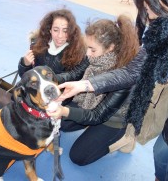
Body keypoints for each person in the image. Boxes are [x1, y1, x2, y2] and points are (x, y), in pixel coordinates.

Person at [56, 0, 168, 180]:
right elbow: (133, 71)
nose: (147, 15)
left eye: (148, 6)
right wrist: (83, 85)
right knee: (160, 154)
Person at [48, 15, 140, 166]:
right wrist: (50, 78)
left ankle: (124, 138)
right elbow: (75, 73)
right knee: (62, 123)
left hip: (112, 119)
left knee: (79, 157)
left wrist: (65, 111)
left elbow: (98, 115)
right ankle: (90, 128)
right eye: (87, 48)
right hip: (93, 107)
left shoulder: (123, 75)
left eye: (92, 49)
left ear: (110, 47)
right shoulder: (95, 57)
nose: (87, 54)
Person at [18, 8, 88, 84]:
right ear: (50, 29)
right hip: (38, 92)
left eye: (65, 31)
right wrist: (25, 65)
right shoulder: (37, 46)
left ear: (71, 31)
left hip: (62, 94)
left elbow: (75, 75)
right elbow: (25, 77)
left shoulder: (80, 51)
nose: (60, 36)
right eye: (55, 30)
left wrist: (50, 78)